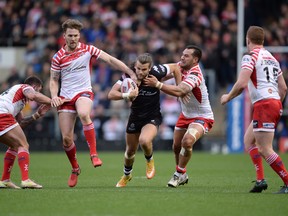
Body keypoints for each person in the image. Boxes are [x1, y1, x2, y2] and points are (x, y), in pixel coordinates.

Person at [49, 19, 136, 188]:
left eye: (75, 35)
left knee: (83, 114)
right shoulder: (58, 56)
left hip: (83, 92)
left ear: (79, 35)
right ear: (64, 36)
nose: (73, 38)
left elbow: (110, 59)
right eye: (70, 35)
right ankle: (75, 169)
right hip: (65, 97)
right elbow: (53, 80)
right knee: (66, 139)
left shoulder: (88, 49)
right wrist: (54, 95)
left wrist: (129, 71)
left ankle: (94, 154)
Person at [220, 26, 288, 194]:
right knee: (248, 141)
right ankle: (260, 180)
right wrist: (276, 104)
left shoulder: (250, 57)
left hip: (264, 104)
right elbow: (284, 88)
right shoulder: (273, 59)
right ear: (263, 41)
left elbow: (242, 83)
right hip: (274, 103)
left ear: (247, 40)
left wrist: (228, 97)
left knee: (265, 148)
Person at [144, 45, 214, 188]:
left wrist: (158, 84)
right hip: (185, 114)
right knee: (176, 146)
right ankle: (182, 174)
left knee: (187, 142)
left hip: (202, 116)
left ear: (195, 60)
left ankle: (178, 173)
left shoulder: (195, 74)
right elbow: (163, 74)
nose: (182, 57)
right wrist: (144, 73)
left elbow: (180, 90)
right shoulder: (179, 66)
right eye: (182, 54)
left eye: (187, 56)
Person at [108, 53, 180, 187]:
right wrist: (127, 95)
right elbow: (111, 94)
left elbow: (176, 67)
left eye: (144, 69)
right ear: (134, 67)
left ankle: (149, 161)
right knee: (130, 151)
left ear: (150, 68)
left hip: (152, 117)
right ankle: (127, 175)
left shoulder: (157, 73)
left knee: (144, 140)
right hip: (135, 117)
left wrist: (179, 89)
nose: (140, 72)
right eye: (138, 68)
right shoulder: (128, 77)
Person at [0, 76, 64, 189]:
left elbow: (20, 123)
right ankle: (25, 180)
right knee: (23, 145)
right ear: (33, 86)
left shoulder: (19, 100)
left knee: (15, 146)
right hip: (2, 114)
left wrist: (37, 115)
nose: (38, 93)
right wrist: (53, 101)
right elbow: (32, 95)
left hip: (3, 115)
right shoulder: (25, 87)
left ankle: (5, 180)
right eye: (38, 90)